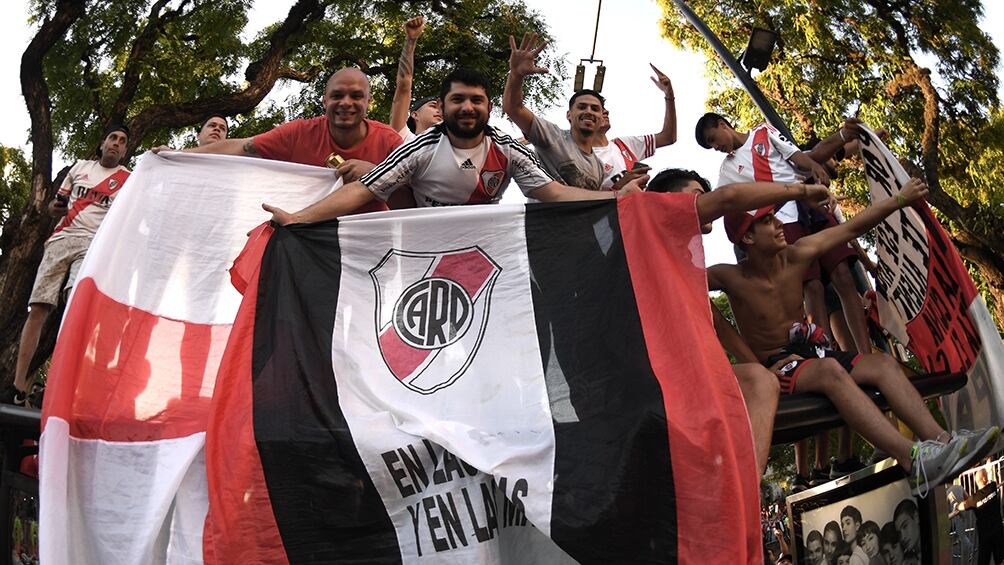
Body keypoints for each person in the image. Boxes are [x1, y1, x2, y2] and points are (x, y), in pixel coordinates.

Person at [708, 177, 1001, 496]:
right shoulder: (730, 276)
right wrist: (752, 363)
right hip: (777, 364)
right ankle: (911, 458)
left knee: (884, 365)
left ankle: (942, 445)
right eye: (766, 220)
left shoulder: (797, 254)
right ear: (747, 236)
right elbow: (684, 284)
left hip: (809, 354)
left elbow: (848, 230)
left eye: (776, 215)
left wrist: (898, 200)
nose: (780, 224)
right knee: (832, 371)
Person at [697, 112, 870, 490]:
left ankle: (864, 350)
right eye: (712, 145)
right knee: (810, 291)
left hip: (808, 208)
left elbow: (803, 156)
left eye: (717, 137)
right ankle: (817, 346)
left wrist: (830, 150)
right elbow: (725, 205)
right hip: (781, 225)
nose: (719, 146)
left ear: (726, 123)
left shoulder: (763, 133)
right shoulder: (729, 173)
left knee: (842, 273)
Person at [263, 68, 647, 223]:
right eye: (457, 100)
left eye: (476, 100)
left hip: (481, 255)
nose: (467, 107)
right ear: (443, 108)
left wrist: (618, 199)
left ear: (488, 107)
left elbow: (556, 192)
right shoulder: (419, 149)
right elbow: (363, 190)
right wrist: (298, 219)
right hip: (417, 255)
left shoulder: (509, 150)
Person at [649, 167, 781, 476]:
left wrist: (759, 367)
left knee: (761, 382)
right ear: (666, 200)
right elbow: (731, 196)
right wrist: (802, 189)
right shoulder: (647, 240)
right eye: (697, 195)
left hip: (693, 375)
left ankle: (748, 491)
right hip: (656, 377)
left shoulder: (690, 261)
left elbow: (717, 323)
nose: (707, 202)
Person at [159, 67, 403, 213]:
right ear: (325, 101)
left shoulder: (389, 142)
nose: (346, 103)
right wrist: (178, 154)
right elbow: (242, 146)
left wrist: (378, 175)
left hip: (372, 246)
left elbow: (415, 200)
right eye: (337, 95)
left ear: (368, 102)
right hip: (311, 241)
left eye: (356, 96)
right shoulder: (298, 133)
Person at [9, 125, 131, 406]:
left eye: (122, 141)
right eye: (112, 137)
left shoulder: (129, 180)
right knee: (38, 308)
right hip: (60, 240)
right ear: (102, 143)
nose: (116, 143)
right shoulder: (79, 167)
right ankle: (18, 388)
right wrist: (58, 207)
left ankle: (57, 387)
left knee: (75, 308)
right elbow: (55, 206)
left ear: (125, 151)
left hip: (92, 247)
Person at [503, 32, 608, 190]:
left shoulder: (599, 168)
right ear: (569, 115)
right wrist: (516, 75)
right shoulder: (553, 135)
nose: (589, 111)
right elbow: (514, 108)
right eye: (581, 107)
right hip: (544, 215)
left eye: (595, 109)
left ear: (601, 118)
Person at [591, 63, 677, 191]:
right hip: (611, 209)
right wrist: (620, 186)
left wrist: (669, 95)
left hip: (638, 206)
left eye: (603, 108)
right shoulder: (581, 156)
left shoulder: (622, 144)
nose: (606, 112)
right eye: (597, 109)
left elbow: (668, 137)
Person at [388, 15, 442, 142]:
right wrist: (411, 40)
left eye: (442, 108)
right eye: (433, 105)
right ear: (415, 114)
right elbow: (404, 87)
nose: (440, 110)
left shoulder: (453, 146)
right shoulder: (403, 138)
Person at [965, 467, 1004, 565]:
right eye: (986, 475)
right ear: (984, 479)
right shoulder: (992, 487)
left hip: (985, 536)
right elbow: (993, 482)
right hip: (998, 531)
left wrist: (956, 505)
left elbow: (962, 506)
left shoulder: (973, 499)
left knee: (983, 560)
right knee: (1000, 559)